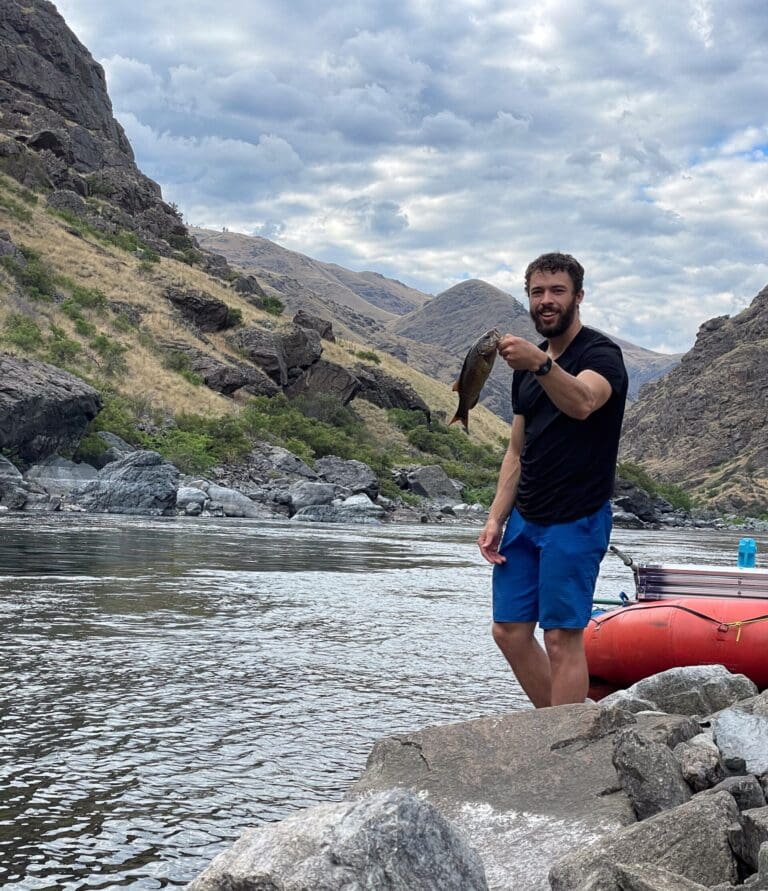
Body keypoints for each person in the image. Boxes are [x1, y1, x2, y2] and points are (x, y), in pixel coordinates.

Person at [477, 252, 628, 707]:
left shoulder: (602, 355)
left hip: (577, 516)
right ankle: (563, 729)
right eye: (537, 292)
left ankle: (564, 749)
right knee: (508, 631)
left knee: (562, 639)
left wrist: (540, 367)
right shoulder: (527, 368)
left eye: (557, 291)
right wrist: (495, 519)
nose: (546, 301)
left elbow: (583, 401)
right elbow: (516, 451)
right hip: (525, 517)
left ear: (578, 296)